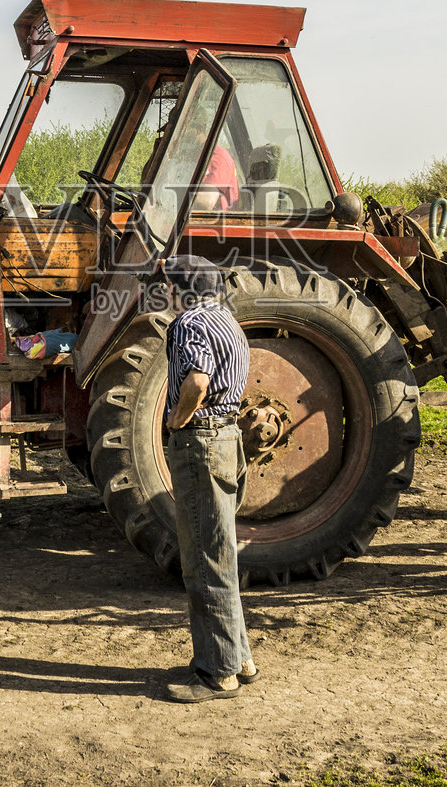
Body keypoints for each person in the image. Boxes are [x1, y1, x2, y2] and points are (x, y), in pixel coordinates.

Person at [160, 254, 258, 702]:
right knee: (221, 550)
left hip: (200, 441)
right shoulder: (229, 323)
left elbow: (197, 383)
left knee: (202, 557)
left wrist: (178, 422)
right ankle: (238, 657)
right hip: (228, 437)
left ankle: (217, 673)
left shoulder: (188, 323)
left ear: (180, 289)